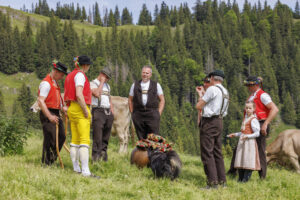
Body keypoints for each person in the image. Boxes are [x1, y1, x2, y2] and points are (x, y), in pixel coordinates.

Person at [227, 76, 278, 179]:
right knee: (239, 147)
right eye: (247, 85)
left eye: (249, 85)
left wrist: (265, 124)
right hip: (250, 124)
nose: (248, 87)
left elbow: (274, 109)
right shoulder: (252, 96)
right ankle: (233, 171)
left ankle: (262, 176)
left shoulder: (263, 95)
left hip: (260, 124)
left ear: (256, 85)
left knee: (260, 150)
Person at [64, 55, 99, 178]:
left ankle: (76, 168)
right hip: (80, 108)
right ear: (85, 65)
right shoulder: (80, 75)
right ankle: (85, 171)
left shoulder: (69, 75)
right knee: (84, 141)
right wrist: (85, 110)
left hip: (71, 108)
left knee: (75, 140)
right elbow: (79, 94)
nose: (89, 67)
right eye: (88, 65)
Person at [196, 69, 229, 189]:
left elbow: (199, 106)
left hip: (209, 122)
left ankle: (212, 182)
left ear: (212, 78)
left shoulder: (212, 89)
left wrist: (201, 97)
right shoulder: (225, 91)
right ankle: (222, 181)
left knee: (207, 152)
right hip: (219, 121)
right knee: (217, 152)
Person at [38, 61, 68, 165]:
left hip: (55, 112)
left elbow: (56, 98)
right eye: (61, 74)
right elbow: (41, 101)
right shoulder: (46, 83)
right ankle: (46, 163)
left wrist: (62, 107)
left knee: (62, 137)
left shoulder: (55, 83)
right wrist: (49, 116)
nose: (62, 76)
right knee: (50, 138)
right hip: (47, 112)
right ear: (55, 71)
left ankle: (51, 159)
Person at [128, 65, 165, 140]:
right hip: (138, 114)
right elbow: (130, 100)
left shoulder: (156, 85)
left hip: (152, 114)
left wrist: (158, 113)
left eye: (147, 73)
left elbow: (162, 100)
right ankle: (143, 151)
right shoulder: (134, 85)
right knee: (141, 138)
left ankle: (153, 152)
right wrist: (132, 113)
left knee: (153, 137)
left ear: (150, 75)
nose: (145, 75)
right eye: (143, 72)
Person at [227, 101, 261, 182]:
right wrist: (235, 134)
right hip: (242, 142)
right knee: (241, 160)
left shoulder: (253, 120)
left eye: (250, 108)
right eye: (246, 108)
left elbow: (257, 133)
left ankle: (245, 180)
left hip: (249, 143)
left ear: (254, 109)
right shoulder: (246, 119)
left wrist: (248, 136)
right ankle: (240, 179)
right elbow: (243, 132)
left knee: (248, 160)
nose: (248, 110)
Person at [90, 67, 114, 162]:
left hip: (107, 111)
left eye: (108, 78)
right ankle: (95, 159)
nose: (107, 79)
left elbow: (109, 99)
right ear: (101, 74)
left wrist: (112, 112)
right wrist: (102, 82)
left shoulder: (108, 86)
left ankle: (103, 158)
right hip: (98, 111)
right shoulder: (92, 83)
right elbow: (96, 94)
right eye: (106, 77)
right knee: (97, 137)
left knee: (106, 137)